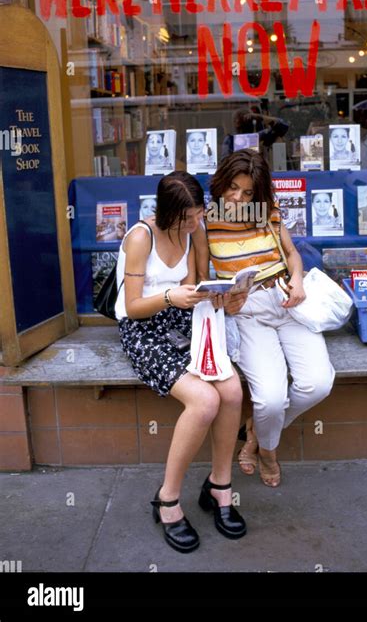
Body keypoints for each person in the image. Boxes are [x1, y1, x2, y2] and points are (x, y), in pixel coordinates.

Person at [115, 171, 246, 553]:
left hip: (184, 319)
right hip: (143, 329)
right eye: (188, 217)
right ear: (168, 212)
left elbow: (198, 284)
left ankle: (220, 488)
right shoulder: (141, 237)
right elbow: (133, 306)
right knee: (204, 400)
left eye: (199, 215)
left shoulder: (194, 230)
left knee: (233, 390)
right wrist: (172, 297)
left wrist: (218, 296)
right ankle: (168, 498)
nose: (196, 223)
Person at [206, 150, 335, 488]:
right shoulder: (205, 221)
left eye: (248, 192)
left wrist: (298, 279)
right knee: (270, 400)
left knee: (318, 383)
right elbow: (200, 281)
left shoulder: (269, 213)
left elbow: (291, 254)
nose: (238, 198)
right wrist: (222, 302)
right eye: (232, 188)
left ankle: (257, 432)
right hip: (247, 313)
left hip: (287, 302)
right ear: (221, 183)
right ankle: (268, 451)